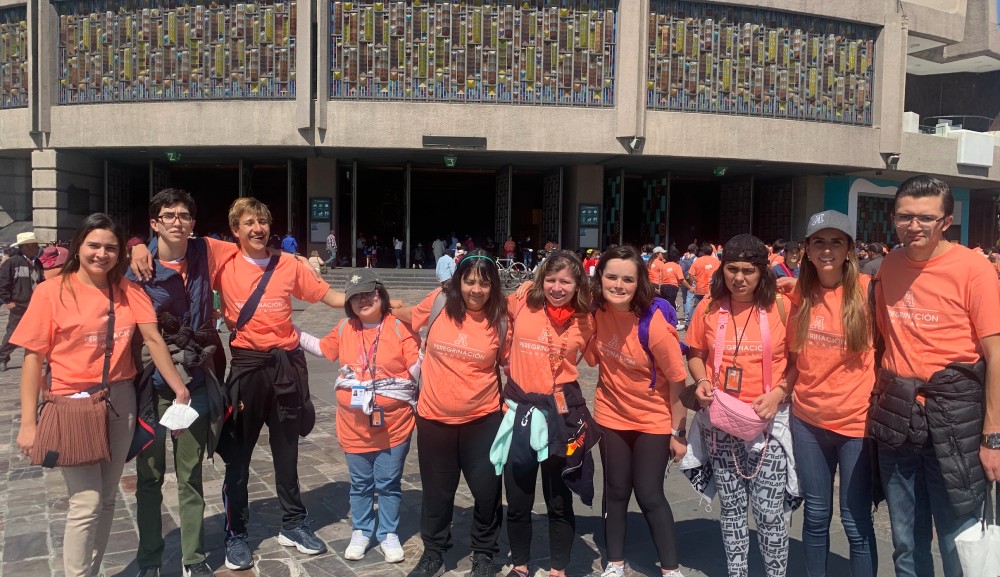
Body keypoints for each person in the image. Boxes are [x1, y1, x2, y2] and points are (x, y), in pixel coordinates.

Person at [13, 213, 191, 577]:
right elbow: (33, 360)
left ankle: (90, 571)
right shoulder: (51, 292)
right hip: (71, 403)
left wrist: (179, 387)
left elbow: (154, 340)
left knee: (107, 497)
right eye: (93, 245)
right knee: (86, 501)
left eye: (110, 247)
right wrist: (28, 423)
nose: (101, 254)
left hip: (119, 400)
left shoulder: (129, 290)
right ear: (78, 247)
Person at [869, 175, 1000, 577]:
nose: (914, 226)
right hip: (900, 418)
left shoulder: (973, 268)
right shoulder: (889, 264)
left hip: (955, 417)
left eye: (926, 218)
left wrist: (992, 437)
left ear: (946, 220)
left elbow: (996, 354)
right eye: (905, 216)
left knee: (956, 540)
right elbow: (879, 335)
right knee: (906, 543)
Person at [212, 198, 349, 571]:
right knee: (239, 458)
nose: (257, 228)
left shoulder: (288, 264)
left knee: (287, 453)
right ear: (235, 229)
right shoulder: (221, 261)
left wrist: (372, 301)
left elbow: (329, 297)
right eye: (249, 222)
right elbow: (179, 253)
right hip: (248, 368)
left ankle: (293, 523)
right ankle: (236, 532)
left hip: (287, 368)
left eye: (263, 221)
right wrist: (143, 246)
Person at [129, 190, 241, 577]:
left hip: (196, 379)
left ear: (193, 223)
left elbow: (251, 246)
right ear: (154, 223)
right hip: (150, 385)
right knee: (149, 478)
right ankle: (150, 560)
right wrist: (133, 247)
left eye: (184, 216)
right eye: (168, 215)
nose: (177, 221)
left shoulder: (204, 251)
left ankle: (194, 558)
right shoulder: (136, 271)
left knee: (191, 476)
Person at [682, 234, 795, 577]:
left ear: (763, 272)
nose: (739, 278)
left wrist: (778, 393)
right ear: (722, 269)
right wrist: (702, 381)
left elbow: (800, 361)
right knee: (731, 509)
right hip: (722, 420)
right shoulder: (708, 307)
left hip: (769, 423)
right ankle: (737, 572)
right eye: (732, 269)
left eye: (748, 270)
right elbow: (696, 354)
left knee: (770, 513)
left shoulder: (782, 307)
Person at [395, 250, 509, 577]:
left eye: (484, 283)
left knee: (487, 491)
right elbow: (409, 315)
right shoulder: (439, 303)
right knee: (437, 492)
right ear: (458, 281)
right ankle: (434, 552)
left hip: (483, 421)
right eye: (469, 281)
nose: (476, 289)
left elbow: (511, 363)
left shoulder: (500, 318)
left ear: (494, 287)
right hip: (434, 420)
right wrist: (385, 307)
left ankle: (484, 553)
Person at [298, 270, 418, 565]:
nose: (363, 300)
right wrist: (289, 331)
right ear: (348, 303)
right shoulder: (343, 329)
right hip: (354, 427)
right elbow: (320, 348)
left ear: (381, 294)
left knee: (388, 483)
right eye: (355, 297)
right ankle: (362, 530)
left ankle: (388, 532)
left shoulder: (400, 328)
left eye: (369, 293)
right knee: (361, 484)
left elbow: (417, 368)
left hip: (394, 426)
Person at [585, 245, 688, 577]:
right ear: (599, 277)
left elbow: (677, 382)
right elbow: (587, 356)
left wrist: (678, 432)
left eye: (627, 279)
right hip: (611, 414)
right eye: (611, 276)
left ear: (639, 282)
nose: (618, 285)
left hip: (652, 419)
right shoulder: (595, 313)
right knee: (615, 490)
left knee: (649, 493)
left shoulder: (654, 325)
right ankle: (614, 562)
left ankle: (670, 569)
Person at [787, 210, 877, 577]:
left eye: (836, 241)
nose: (827, 250)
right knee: (815, 515)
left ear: (849, 249)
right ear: (806, 250)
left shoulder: (870, 290)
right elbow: (790, 356)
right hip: (807, 420)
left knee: (856, 523)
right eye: (819, 242)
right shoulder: (796, 294)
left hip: (857, 423)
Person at [496, 251, 597, 577]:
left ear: (577, 283)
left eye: (565, 281)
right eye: (551, 279)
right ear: (540, 279)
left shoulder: (586, 320)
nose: (557, 287)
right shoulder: (522, 302)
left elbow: (601, 357)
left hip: (560, 414)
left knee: (558, 498)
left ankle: (558, 569)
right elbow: (487, 310)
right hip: (519, 411)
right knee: (519, 497)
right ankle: (521, 565)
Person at [0, 231, 43, 371]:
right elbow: (3, 283)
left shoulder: (37, 262)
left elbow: (40, 280)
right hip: (19, 304)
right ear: (26, 247)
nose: (37, 247)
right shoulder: (12, 262)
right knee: (13, 333)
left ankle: (38, 357)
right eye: (34, 245)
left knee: (41, 332)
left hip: (36, 304)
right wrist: (8, 301)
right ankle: (2, 358)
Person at [683, 244, 720, 321]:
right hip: (713, 290)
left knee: (696, 307)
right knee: (713, 307)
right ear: (712, 252)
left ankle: (689, 322)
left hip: (700, 289)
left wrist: (692, 284)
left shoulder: (697, 261)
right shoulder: (717, 262)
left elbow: (691, 275)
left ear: (702, 252)